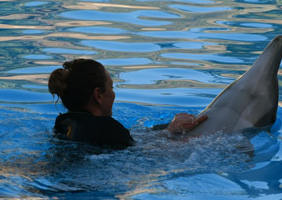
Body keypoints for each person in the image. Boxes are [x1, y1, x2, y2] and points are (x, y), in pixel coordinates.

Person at [48, 58, 207, 148]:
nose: (113, 93)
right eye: (111, 87)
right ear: (98, 95)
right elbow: (142, 153)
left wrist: (167, 130)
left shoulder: (64, 124)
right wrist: (184, 144)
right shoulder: (106, 127)